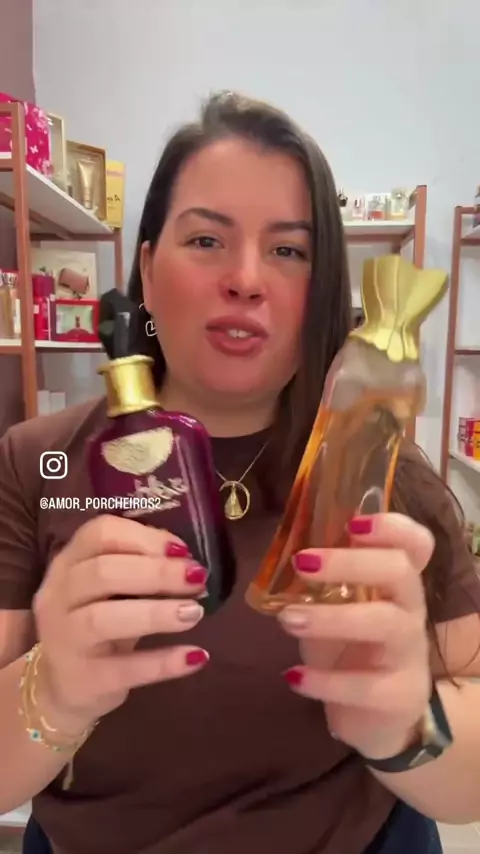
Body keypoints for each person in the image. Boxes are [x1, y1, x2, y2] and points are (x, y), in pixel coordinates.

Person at [0, 91, 479, 854]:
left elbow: (470, 778)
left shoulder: (387, 478)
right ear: (147, 269)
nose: (247, 279)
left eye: (288, 251)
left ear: (322, 289)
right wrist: (51, 691)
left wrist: (404, 726)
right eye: (206, 240)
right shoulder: (36, 462)